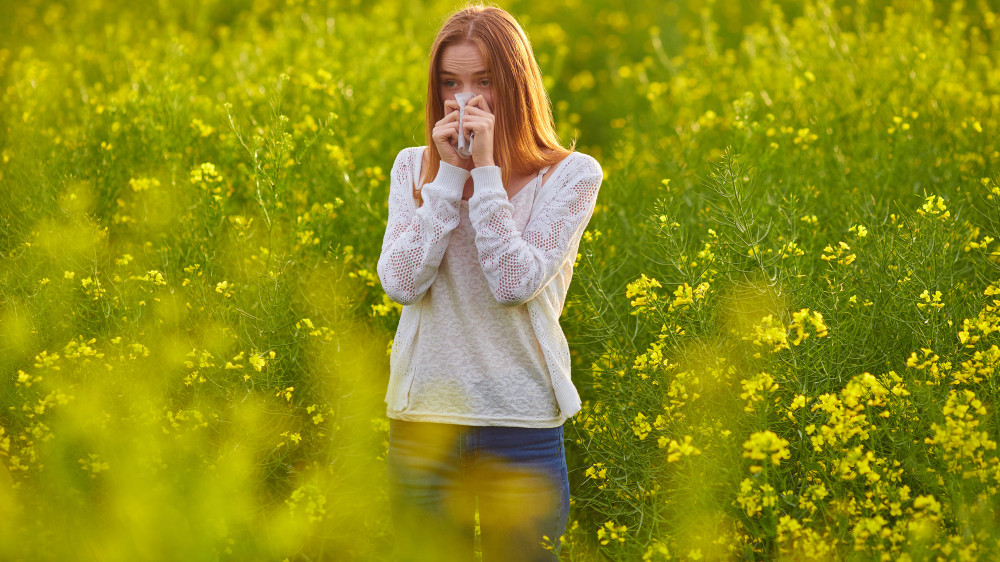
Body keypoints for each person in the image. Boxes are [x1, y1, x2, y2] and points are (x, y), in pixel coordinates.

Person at [376, 4, 603, 561]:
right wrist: (450, 175)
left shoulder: (571, 174)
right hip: (423, 423)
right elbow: (401, 282)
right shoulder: (412, 168)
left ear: (516, 84)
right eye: (450, 83)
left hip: (521, 424)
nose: (464, 100)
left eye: (484, 81)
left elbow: (512, 281)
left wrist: (485, 173)